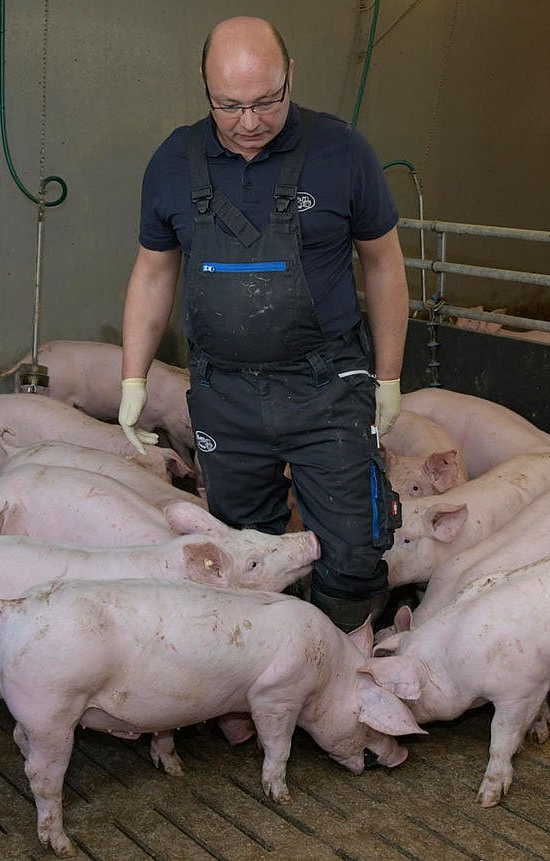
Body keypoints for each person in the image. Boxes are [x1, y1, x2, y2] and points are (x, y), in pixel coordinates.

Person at [117, 16, 410, 632]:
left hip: (327, 386)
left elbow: (383, 263)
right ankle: (267, 674)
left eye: (265, 102)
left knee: (358, 553)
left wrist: (387, 376)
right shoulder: (173, 160)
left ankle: (326, 660)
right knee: (244, 555)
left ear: (290, 78)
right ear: (205, 90)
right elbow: (152, 273)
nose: (249, 123)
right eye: (229, 106)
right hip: (226, 393)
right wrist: (132, 380)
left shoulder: (343, 151)